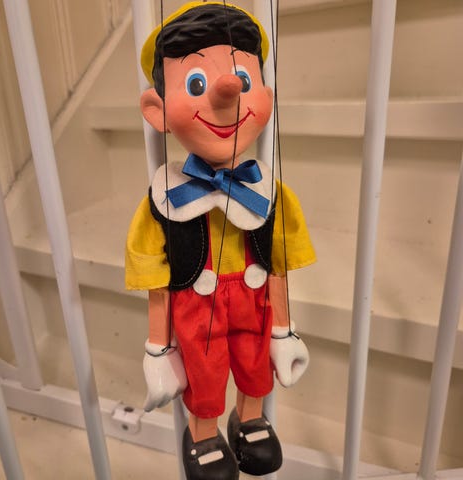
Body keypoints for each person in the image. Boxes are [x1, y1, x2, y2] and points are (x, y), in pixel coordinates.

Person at [125, 2, 316, 479]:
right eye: (196, 84)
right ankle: (203, 432)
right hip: (196, 304)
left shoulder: (269, 192)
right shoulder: (164, 198)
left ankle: (249, 419)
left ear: (266, 97)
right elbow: (154, 275)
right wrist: (158, 346)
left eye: (244, 80)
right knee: (204, 373)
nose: (228, 90)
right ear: (157, 111)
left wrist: (283, 330)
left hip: (255, 301)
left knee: (255, 366)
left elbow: (279, 264)